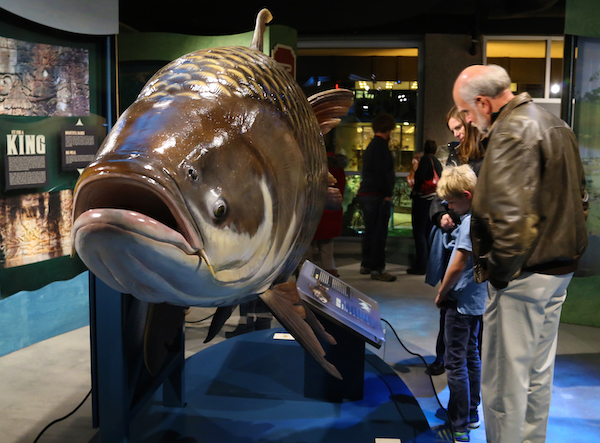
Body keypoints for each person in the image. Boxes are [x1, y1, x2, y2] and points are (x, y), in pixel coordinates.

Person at [453, 64, 588, 443]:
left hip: (524, 275)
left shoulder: (511, 132)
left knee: (504, 386)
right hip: (558, 270)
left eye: (465, 112)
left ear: (482, 102)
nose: (468, 120)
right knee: (536, 377)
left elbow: (511, 223)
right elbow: (581, 199)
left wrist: (498, 272)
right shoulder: (555, 124)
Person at [426, 107, 484, 376]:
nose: (457, 134)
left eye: (459, 128)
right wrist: (441, 216)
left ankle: (464, 365)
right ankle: (446, 357)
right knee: (451, 308)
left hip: (477, 240)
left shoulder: (490, 154)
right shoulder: (453, 153)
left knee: (469, 309)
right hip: (457, 237)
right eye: (453, 130)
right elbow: (439, 196)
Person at [433, 164, 486, 443]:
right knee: (472, 355)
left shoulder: (467, 223)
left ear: (466, 195)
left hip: (460, 302)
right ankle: (473, 413)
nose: (449, 207)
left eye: (452, 202)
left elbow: (459, 262)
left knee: (455, 363)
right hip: (477, 300)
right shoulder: (484, 214)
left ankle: (459, 424)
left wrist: (443, 292)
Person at [357, 113, 397, 282]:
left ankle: (366, 264)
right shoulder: (382, 147)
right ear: (388, 129)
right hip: (377, 195)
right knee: (379, 233)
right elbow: (383, 174)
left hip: (366, 193)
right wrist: (388, 193)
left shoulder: (371, 146)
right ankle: (377, 269)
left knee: (369, 231)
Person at [304, 151, 348, 277]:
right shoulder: (339, 171)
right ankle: (331, 277)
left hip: (313, 214)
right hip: (332, 214)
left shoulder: (314, 170)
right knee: (327, 251)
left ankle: (307, 277)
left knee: (307, 251)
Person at [408, 140, 442, 275]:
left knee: (419, 232)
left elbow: (419, 179)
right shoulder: (437, 162)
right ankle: (430, 264)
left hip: (423, 200)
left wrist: (414, 192)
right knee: (429, 232)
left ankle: (420, 265)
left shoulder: (424, 160)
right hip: (435, 200)